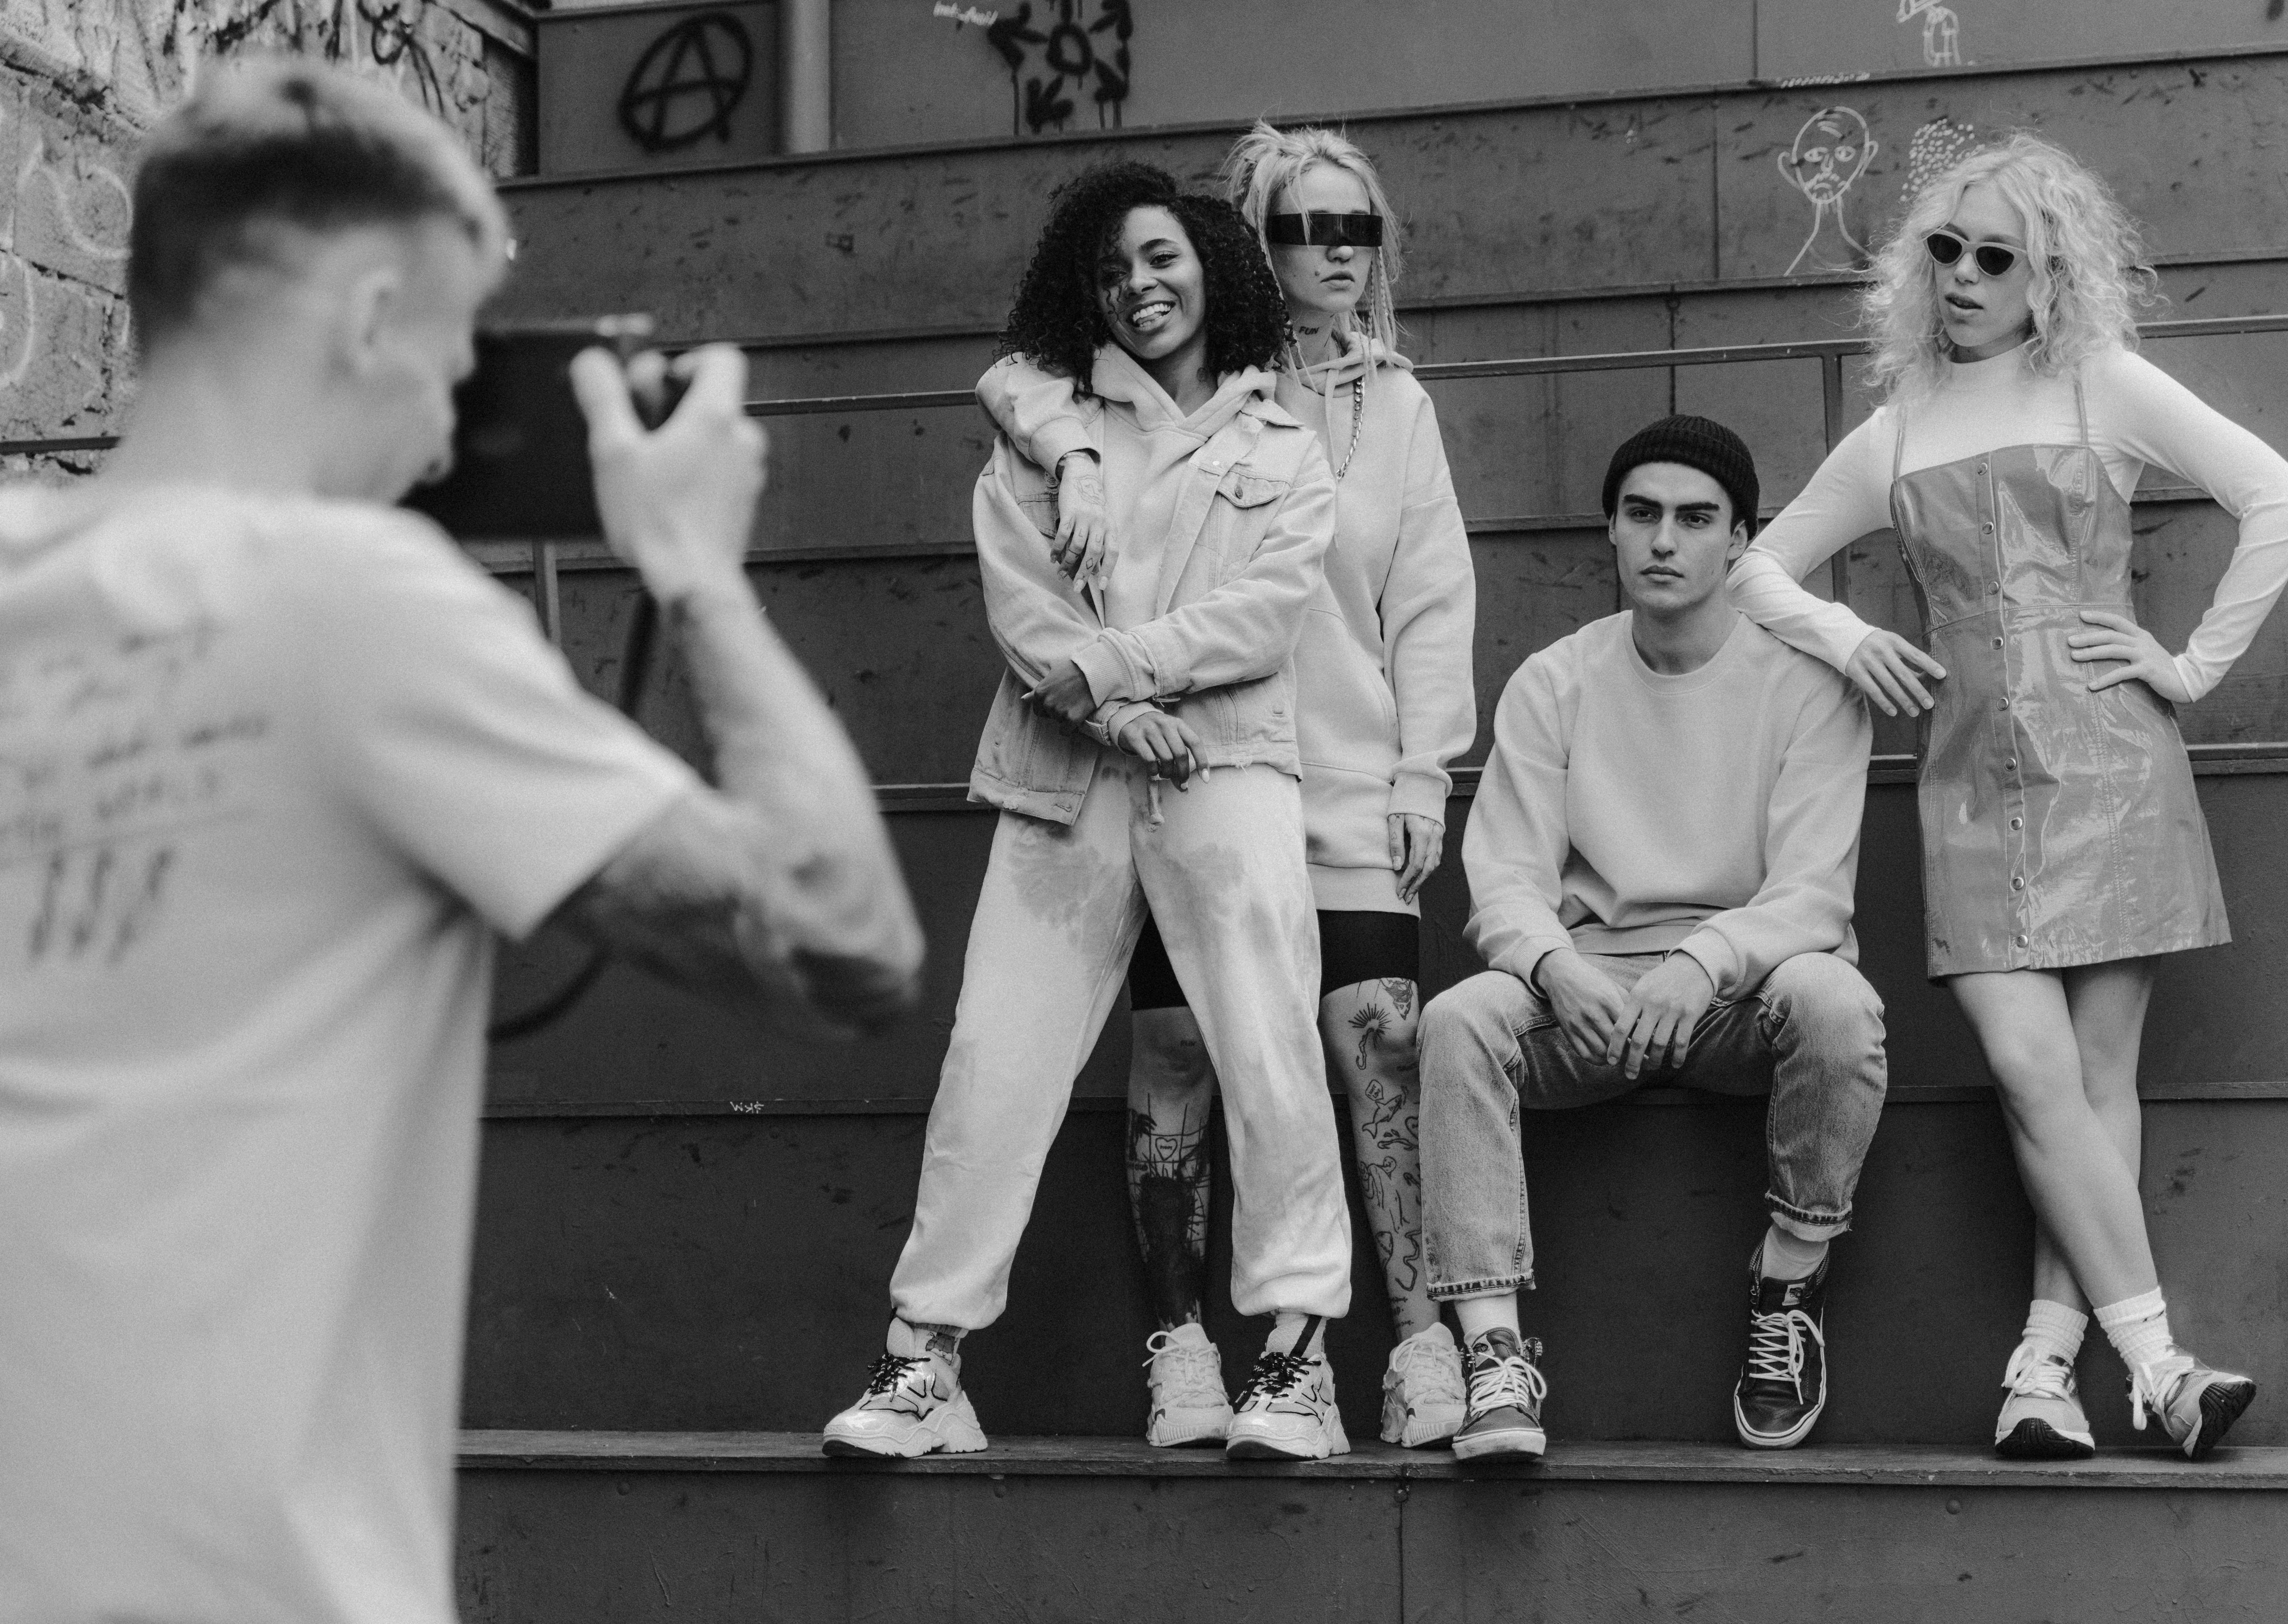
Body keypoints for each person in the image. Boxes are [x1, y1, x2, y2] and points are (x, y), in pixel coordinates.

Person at [0, 60, 922, 1624]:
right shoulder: (355, 598)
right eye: (445, 366)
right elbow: (842, 935)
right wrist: (696, 572)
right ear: (367, 323)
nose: (442, 434)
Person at [1731, 132, 2288, 1460]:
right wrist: (1843, 637)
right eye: (1944, 247)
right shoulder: (1893, 426)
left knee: (2091, 1078)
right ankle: (2160, 1365)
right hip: (1966, 778)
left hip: (2115, 762)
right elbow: (1761, 567)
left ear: (2049, 276)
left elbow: (2282, 501)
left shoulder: (2101, 384)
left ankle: (2042, 1371)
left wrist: (2186, 665)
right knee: (2028, 1066)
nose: (1964, 274)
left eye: (1998, 255)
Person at [820, 161, 1356, 1463]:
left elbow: (1269, 612)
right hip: (1066, 777)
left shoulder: (1284, 445)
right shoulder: (1036, 434)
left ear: (1211, 268)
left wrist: (1122, 675)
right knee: (995, 1058)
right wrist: (1108, 710)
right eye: (1113, 271)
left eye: (1162, 259)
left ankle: (1297, 1358)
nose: (1140, 287)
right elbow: (1023, 614)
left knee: (1269, 1045)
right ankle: (925, 1363)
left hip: (1223, 763)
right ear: (1086, 292)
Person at [976, 123, 1478, 1448]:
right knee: (1181, 1045)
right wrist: (1077, 452)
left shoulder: (1396, 405)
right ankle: (1182, 1343)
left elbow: (1429, 601)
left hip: (1345, 771)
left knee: (1375, 1031)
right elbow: (1023, 382)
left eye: (1355, 228)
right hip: (1186, 768)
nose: (1334, 254)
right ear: (1241, 249)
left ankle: (1417, 1344)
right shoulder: (1161, 383)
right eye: (1301, 228)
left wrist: (1423, 768)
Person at [1418, 416, 1886, 1462]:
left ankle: (1786, 1281)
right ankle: (1493, 1360)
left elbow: (1812, 896)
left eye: (1693, 518)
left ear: (1738, 541)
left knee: (1837, 1003)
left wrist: (1701, 961)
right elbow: (1501, 876)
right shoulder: (1556, 679)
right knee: (1457, 1023)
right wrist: (1549, 966)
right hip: (1586, 992)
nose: (1663, 541)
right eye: (1641, 516)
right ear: (1612, 534)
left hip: (1734, 996)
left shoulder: (1807, 685)